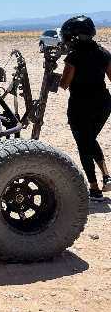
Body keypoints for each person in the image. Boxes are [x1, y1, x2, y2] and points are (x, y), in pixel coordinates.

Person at [59, 15, 111, 200]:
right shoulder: (104, 53)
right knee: (89, 139)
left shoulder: (73, 57)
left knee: (84, 144)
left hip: (80, 106)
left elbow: (64, 83)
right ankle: (107, 176)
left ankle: (94, 189)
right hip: (103, 104)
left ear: (76, 37)